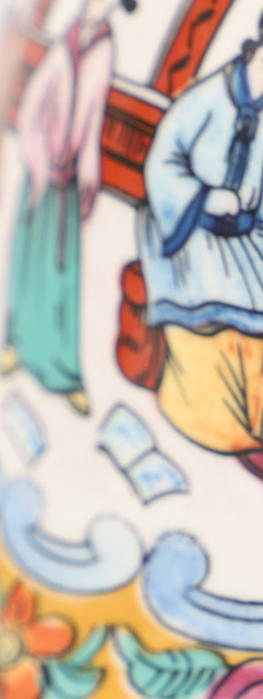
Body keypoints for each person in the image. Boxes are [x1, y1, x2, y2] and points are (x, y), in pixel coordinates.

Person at [137, 0, 263, 485]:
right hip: (183, 227)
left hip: (240, 238)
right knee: (217, 316)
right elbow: (162, 161)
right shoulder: (210, 93)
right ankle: (207, 428)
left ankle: (244, 431)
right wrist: (204, 197)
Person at [1, 0, 134, 416]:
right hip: (42, 166)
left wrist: (88, 168)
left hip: (69, 175)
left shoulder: (104, 45)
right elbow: (35, 98)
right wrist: (38, 154)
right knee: (27, 261)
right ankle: (16, 344)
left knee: (62, 271)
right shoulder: (70, 34)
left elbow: (94, 116)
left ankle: (62, 370)